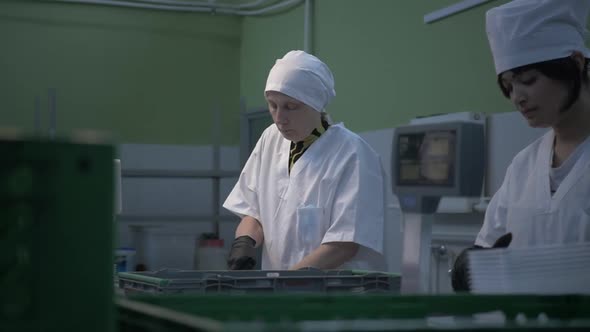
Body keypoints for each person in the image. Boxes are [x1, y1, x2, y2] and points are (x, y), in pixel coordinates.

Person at [452, 0, 590, 291]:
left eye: (529, 80)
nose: (518, 97)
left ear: (576, 63)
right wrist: (473, 263)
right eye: (509, 85)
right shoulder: (524, 166)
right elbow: (490, 245)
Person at [223, 50, 387, 271]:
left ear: (316, 105)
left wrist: (289, 282)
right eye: (273, 105)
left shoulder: (353, 154)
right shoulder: (270, 139)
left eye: (291, 107)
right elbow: (253, 211)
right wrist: (244, 243)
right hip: (279, 290)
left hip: (334, 294)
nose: (279, 118)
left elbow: (344, 243)